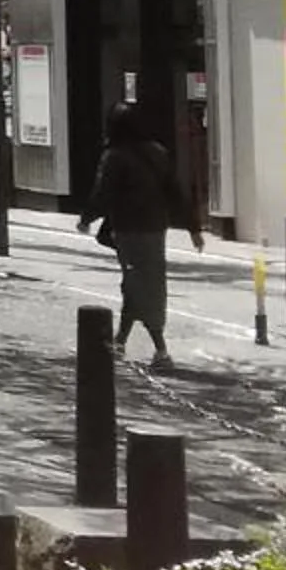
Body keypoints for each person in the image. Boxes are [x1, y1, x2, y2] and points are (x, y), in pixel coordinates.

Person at [81, 102, 203, 372]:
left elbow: (103, 191)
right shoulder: (158, 152)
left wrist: (87, 217)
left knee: (137, 284)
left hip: (129, 229)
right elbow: (176, 191)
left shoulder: (114, 155)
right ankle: (121, 341)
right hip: (156, 228)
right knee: (142, 281)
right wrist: (194, 228)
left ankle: (160, 348)